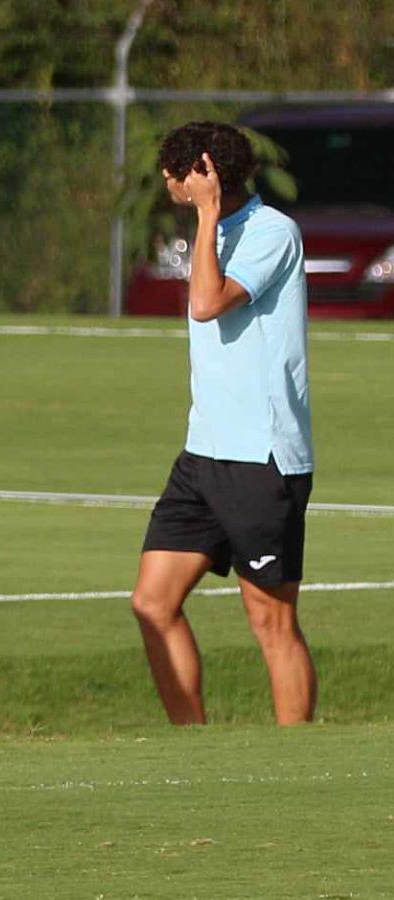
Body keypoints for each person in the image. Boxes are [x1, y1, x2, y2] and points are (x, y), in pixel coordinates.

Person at [131, 121, 316, 726]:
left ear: (204, 175)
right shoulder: (215, 233)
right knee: (152, 602)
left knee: (271, 620)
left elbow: (208, 303)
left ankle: (297, 760)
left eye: (177, 170)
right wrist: (208, 222)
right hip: (203, 455)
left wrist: (208, 216)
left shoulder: (271, 232)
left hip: (261, 460)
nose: (167, 180)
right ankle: (195, 746)